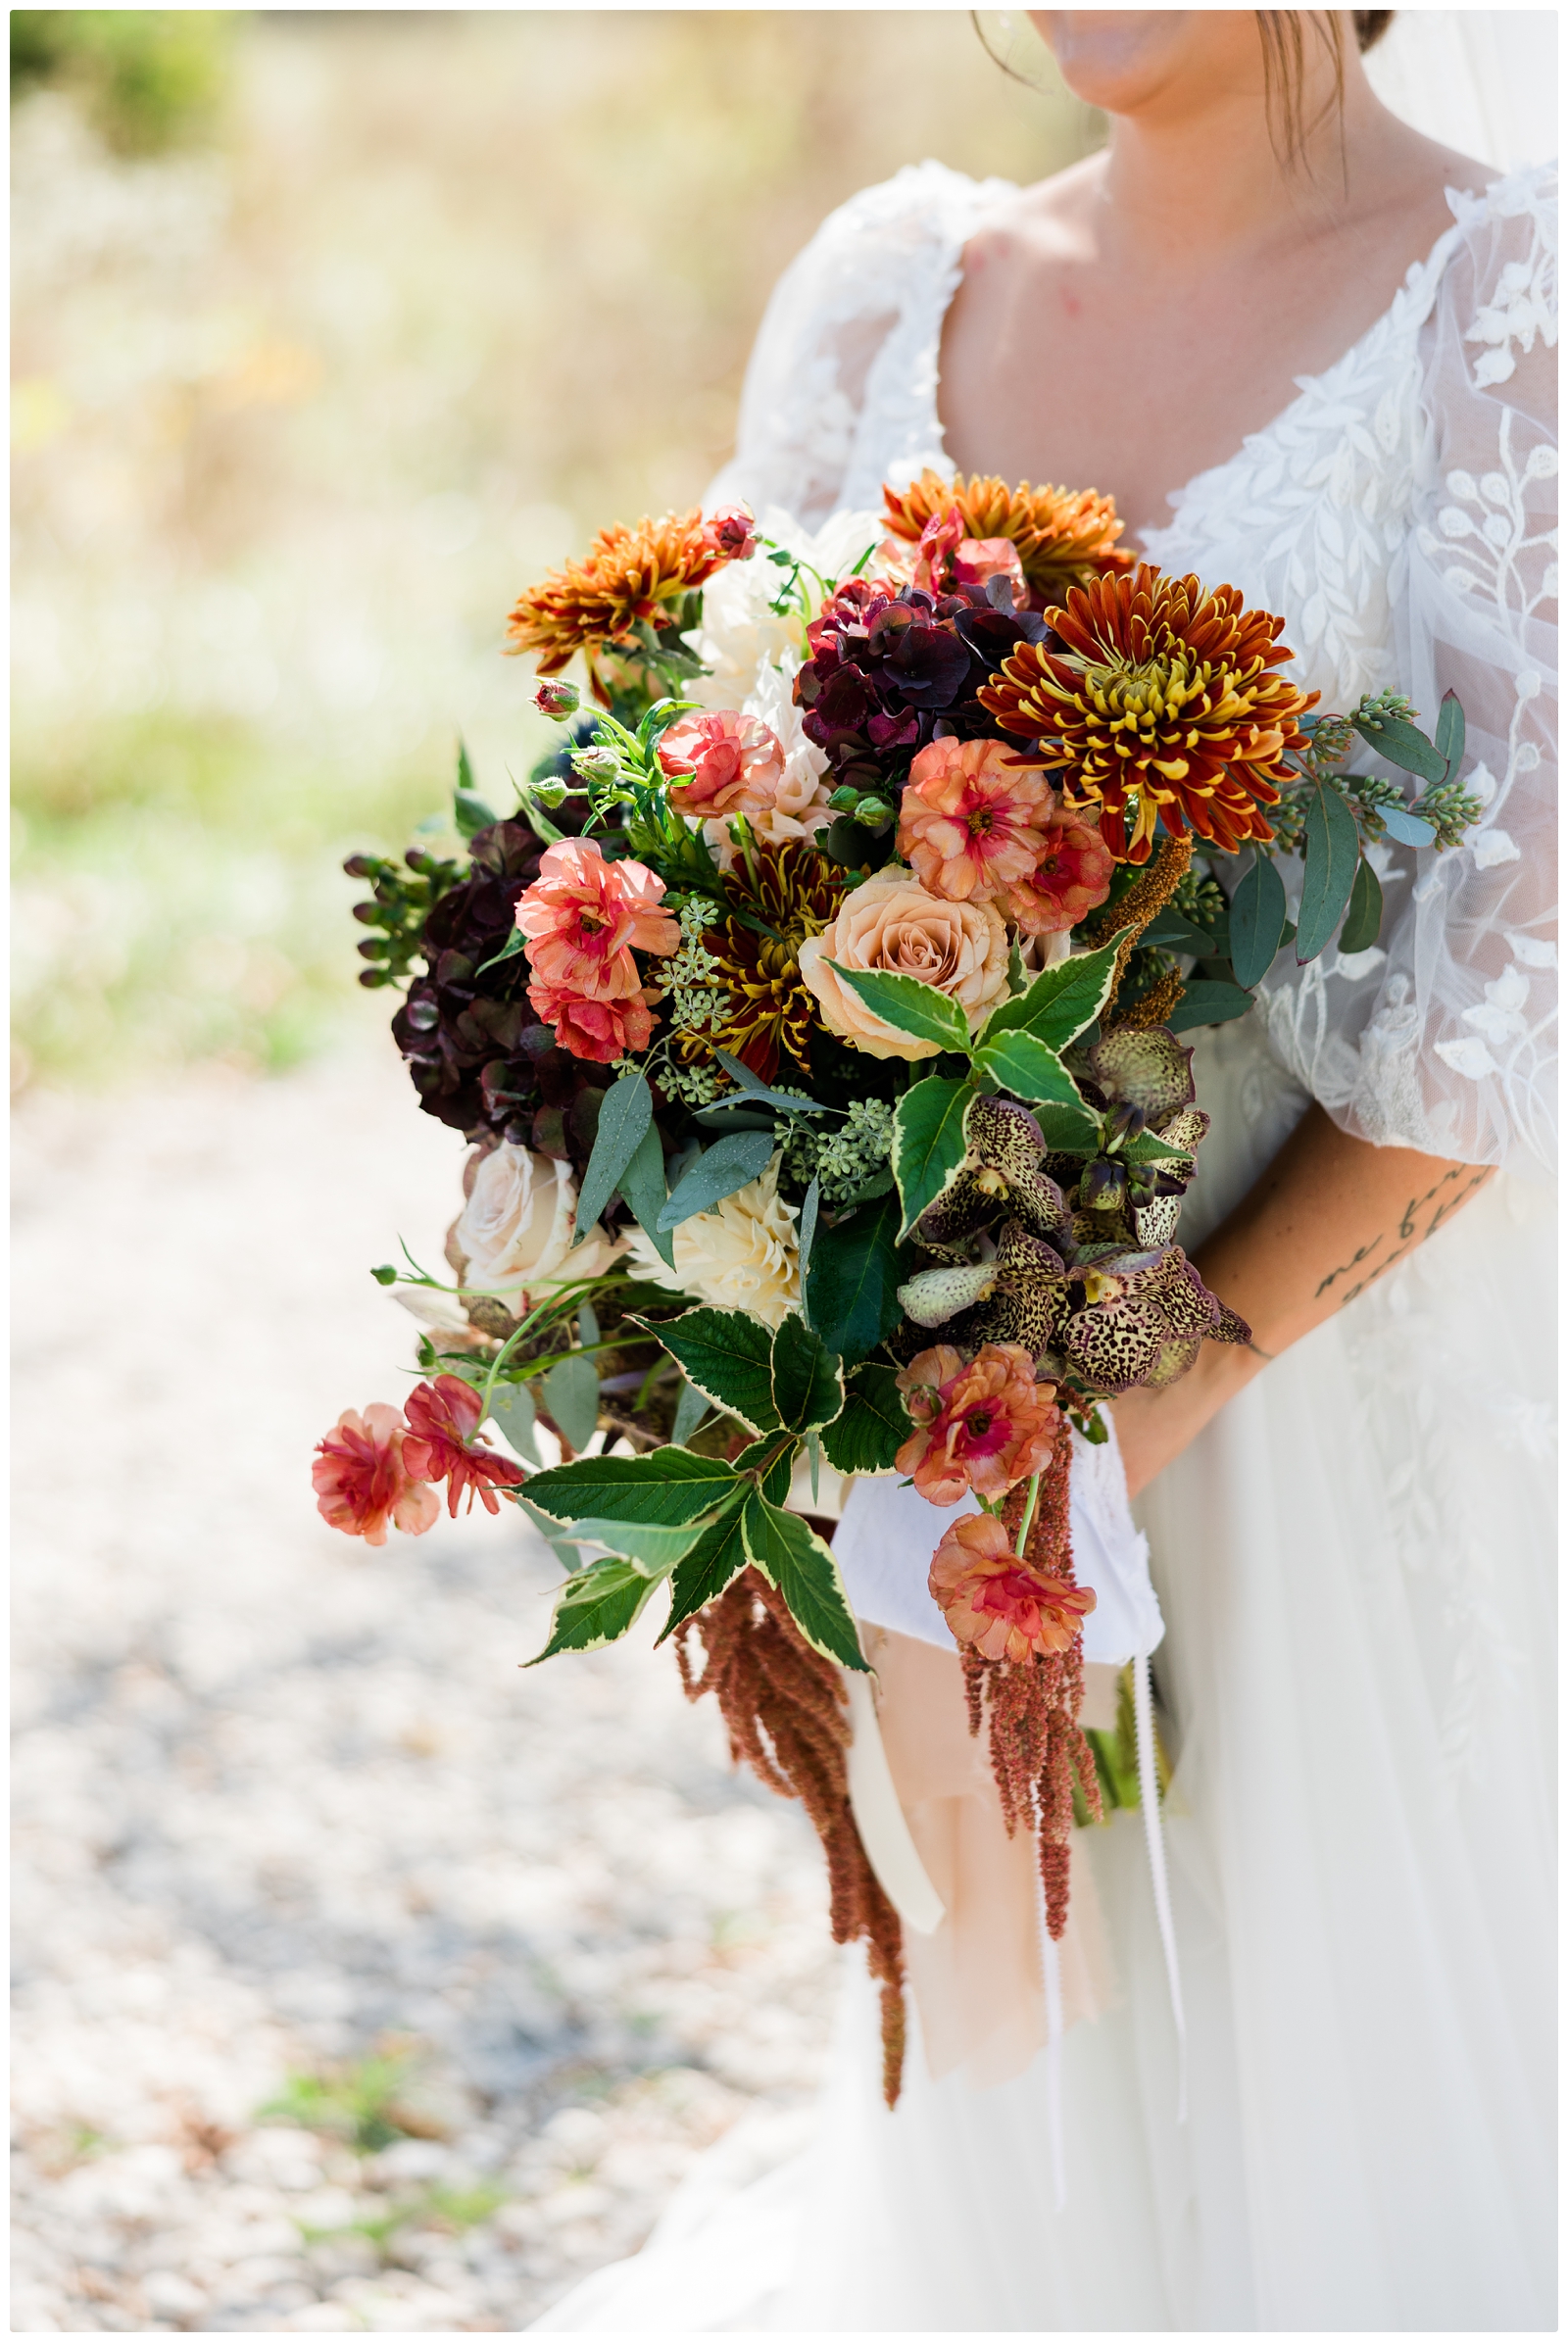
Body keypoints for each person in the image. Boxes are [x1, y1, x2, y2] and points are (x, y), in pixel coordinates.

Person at [536, 12, 1556, 2328]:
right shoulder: (892, 293)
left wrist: (1113, 1390)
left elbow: (1520, 1004)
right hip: (937, 1400)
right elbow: (702, 805)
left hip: (1319, 1409)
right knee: (1037, 2116)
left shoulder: (1506, 304)